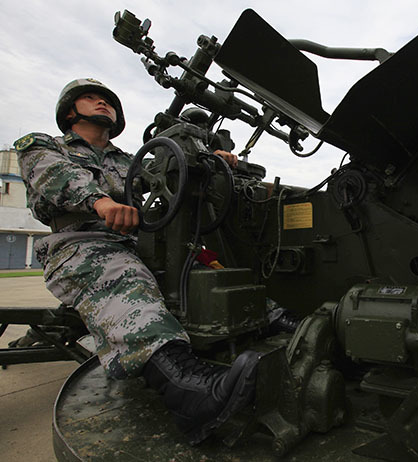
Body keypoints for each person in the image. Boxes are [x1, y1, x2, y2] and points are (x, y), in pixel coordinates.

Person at [14, 78, 259, 445]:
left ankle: (272, 317)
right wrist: (101, 202)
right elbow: (54, 176)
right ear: (69, 112)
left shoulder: (127, 161)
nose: (103, 103)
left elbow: (168, 170)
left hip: (132, 243)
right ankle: (187, 393)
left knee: (206, 272)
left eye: (108, 100)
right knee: (123, 278)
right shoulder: (44, 145)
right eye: (91, 98)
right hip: (81, 242)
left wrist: (210, 160)